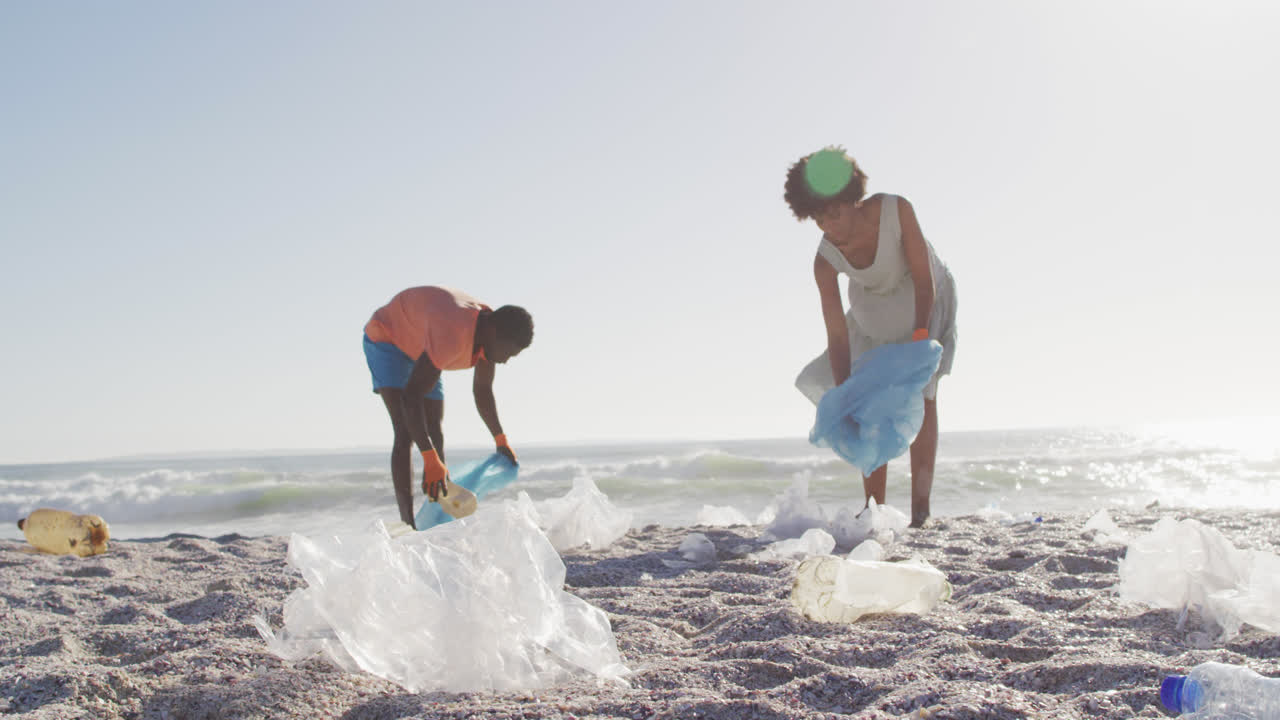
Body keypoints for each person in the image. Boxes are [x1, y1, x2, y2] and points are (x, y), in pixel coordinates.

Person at [785, 147, 957, 528]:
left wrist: (921, 336)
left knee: (924, 394)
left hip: (922, 300)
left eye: (836, 212)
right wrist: (847, 391)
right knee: (867, 407)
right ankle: (873, 508)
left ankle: (921, 511)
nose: (830, 225)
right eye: (819, 218)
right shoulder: (824, 260)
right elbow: (836, 334)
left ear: (853, 199)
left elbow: (924, 276)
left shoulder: (896, 210)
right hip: (872, 316)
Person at [363, 286, 533, 528]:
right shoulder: (452, 333)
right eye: (508, 353)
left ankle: (436, 509)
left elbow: (483, 392)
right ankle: (408, 524)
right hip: (387, 338)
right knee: (405, 431)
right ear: (494, 333)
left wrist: (500, 439)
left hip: (423, 345)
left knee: (434, 430)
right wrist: (429, 458)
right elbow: (410, 398)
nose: (506, 361)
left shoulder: (488, 333)